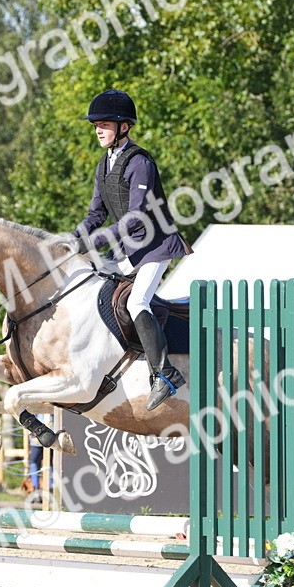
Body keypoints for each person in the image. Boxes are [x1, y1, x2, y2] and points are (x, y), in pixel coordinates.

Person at [71, 89, 190, 411]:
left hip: (155, 245)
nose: (97, 129)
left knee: (137, 300)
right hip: (127, 248)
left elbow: (137, 217)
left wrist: (98, 241)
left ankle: (165, 374)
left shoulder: (140, 162)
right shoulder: (103, 164)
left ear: (124, 127)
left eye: (105, 124)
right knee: (99, 291)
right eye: (95, 124)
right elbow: (96, 214)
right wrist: (71, 240)